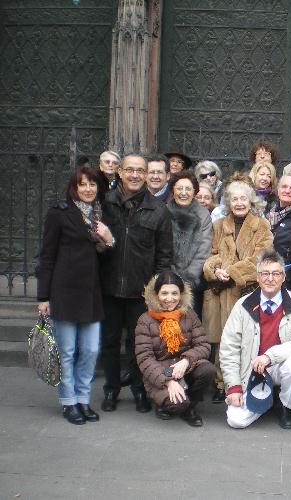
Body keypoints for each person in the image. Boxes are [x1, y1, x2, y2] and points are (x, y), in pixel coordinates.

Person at [36, 166, 114, 425]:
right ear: (74, 188)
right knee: (67, 351)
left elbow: (108, 256)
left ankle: (83, 398)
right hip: (65, 292)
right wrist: (43, 297)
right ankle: (69, 402)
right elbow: (47, 256)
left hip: (92, 293)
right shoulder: (60, 214)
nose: (88, 189)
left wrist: (108, 239)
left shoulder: (102, 215)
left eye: (92, 184)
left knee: (91, 350)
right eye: (83, 184)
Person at [99, 153, 173, 413]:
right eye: (129, 170)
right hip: (108, 287)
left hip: (140, 291)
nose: (134, 175)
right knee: (109, 342)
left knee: (138, 344)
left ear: (145, 175)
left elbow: (164, 256)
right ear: (119, 171)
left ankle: (140, 390)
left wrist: (156, 290)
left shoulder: (158, 209)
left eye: (139, 171)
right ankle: (111, 389)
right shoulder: (104, 204)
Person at [220, 249, 291, 429]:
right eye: (265, 273)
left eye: (276, 273)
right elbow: (229, 349)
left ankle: (285, 406)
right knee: (236, 420)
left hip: (281, 366)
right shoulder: (243, 305)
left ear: (283, 277)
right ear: (257, 277)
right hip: (252, 370)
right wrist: (233, 387)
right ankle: (267, 399)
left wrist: (270, 356)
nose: (270, 278)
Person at [201, 181, 273, 403]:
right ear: (228, 202)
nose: (239, 203)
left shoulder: (261, 226)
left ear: (251, 201)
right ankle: (223, 383)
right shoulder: (219, 225)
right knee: (223, 339)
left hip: (246, 292)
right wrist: (215, 270)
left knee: (247, 340)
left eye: (243, 198)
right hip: (220, 292)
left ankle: (247, 381)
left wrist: (231, 271)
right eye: (234, 199)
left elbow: (262, 258)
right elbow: (210, 254)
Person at [134, 271, 215, 427]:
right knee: (176, 405)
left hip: (184, 367)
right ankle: (175, 403)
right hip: (160, 373)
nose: (169, 298)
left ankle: (189, 408)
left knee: (208, 370)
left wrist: (186, 361)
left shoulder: (189, 315)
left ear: (181, 295)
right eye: (164, 293)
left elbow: (203, 345)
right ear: (156, 294)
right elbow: (144, 359)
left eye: (174, 293)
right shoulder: (145, 320)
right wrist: (168, 382)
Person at [166, 170, 212, 317]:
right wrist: (170, 276)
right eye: (179, 188)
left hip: (193, 283)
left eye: (188, 189)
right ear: (173, 190)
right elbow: (161, 247)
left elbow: (203, 249)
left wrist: (188, 278)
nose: (183, 193)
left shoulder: (203, 215)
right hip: (166, 281)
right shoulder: (163, 212)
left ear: (194, 192)